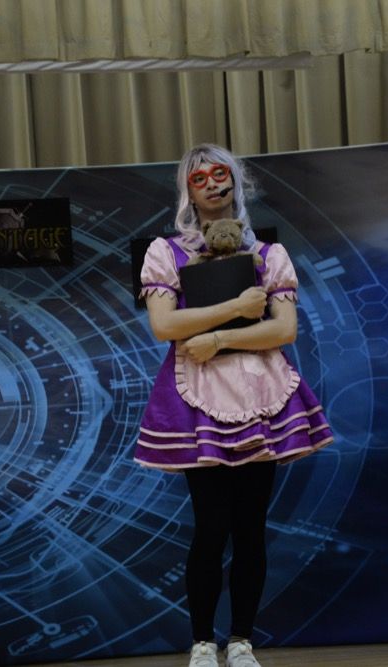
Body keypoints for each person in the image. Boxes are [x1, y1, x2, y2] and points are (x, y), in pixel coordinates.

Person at [135, 144, 333, 667]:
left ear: (236, 182)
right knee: (211, 526)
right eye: (199, 177)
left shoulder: (269, 255)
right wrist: (236, 309)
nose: (212, 184)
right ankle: (203, 643)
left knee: (250, 528)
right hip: (199, 395)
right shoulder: (166, 252)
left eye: (220, 174)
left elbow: (283, 330)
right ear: (187, 189)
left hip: (258, 393)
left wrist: (219, 338)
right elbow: (164, 325)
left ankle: (242, 640)